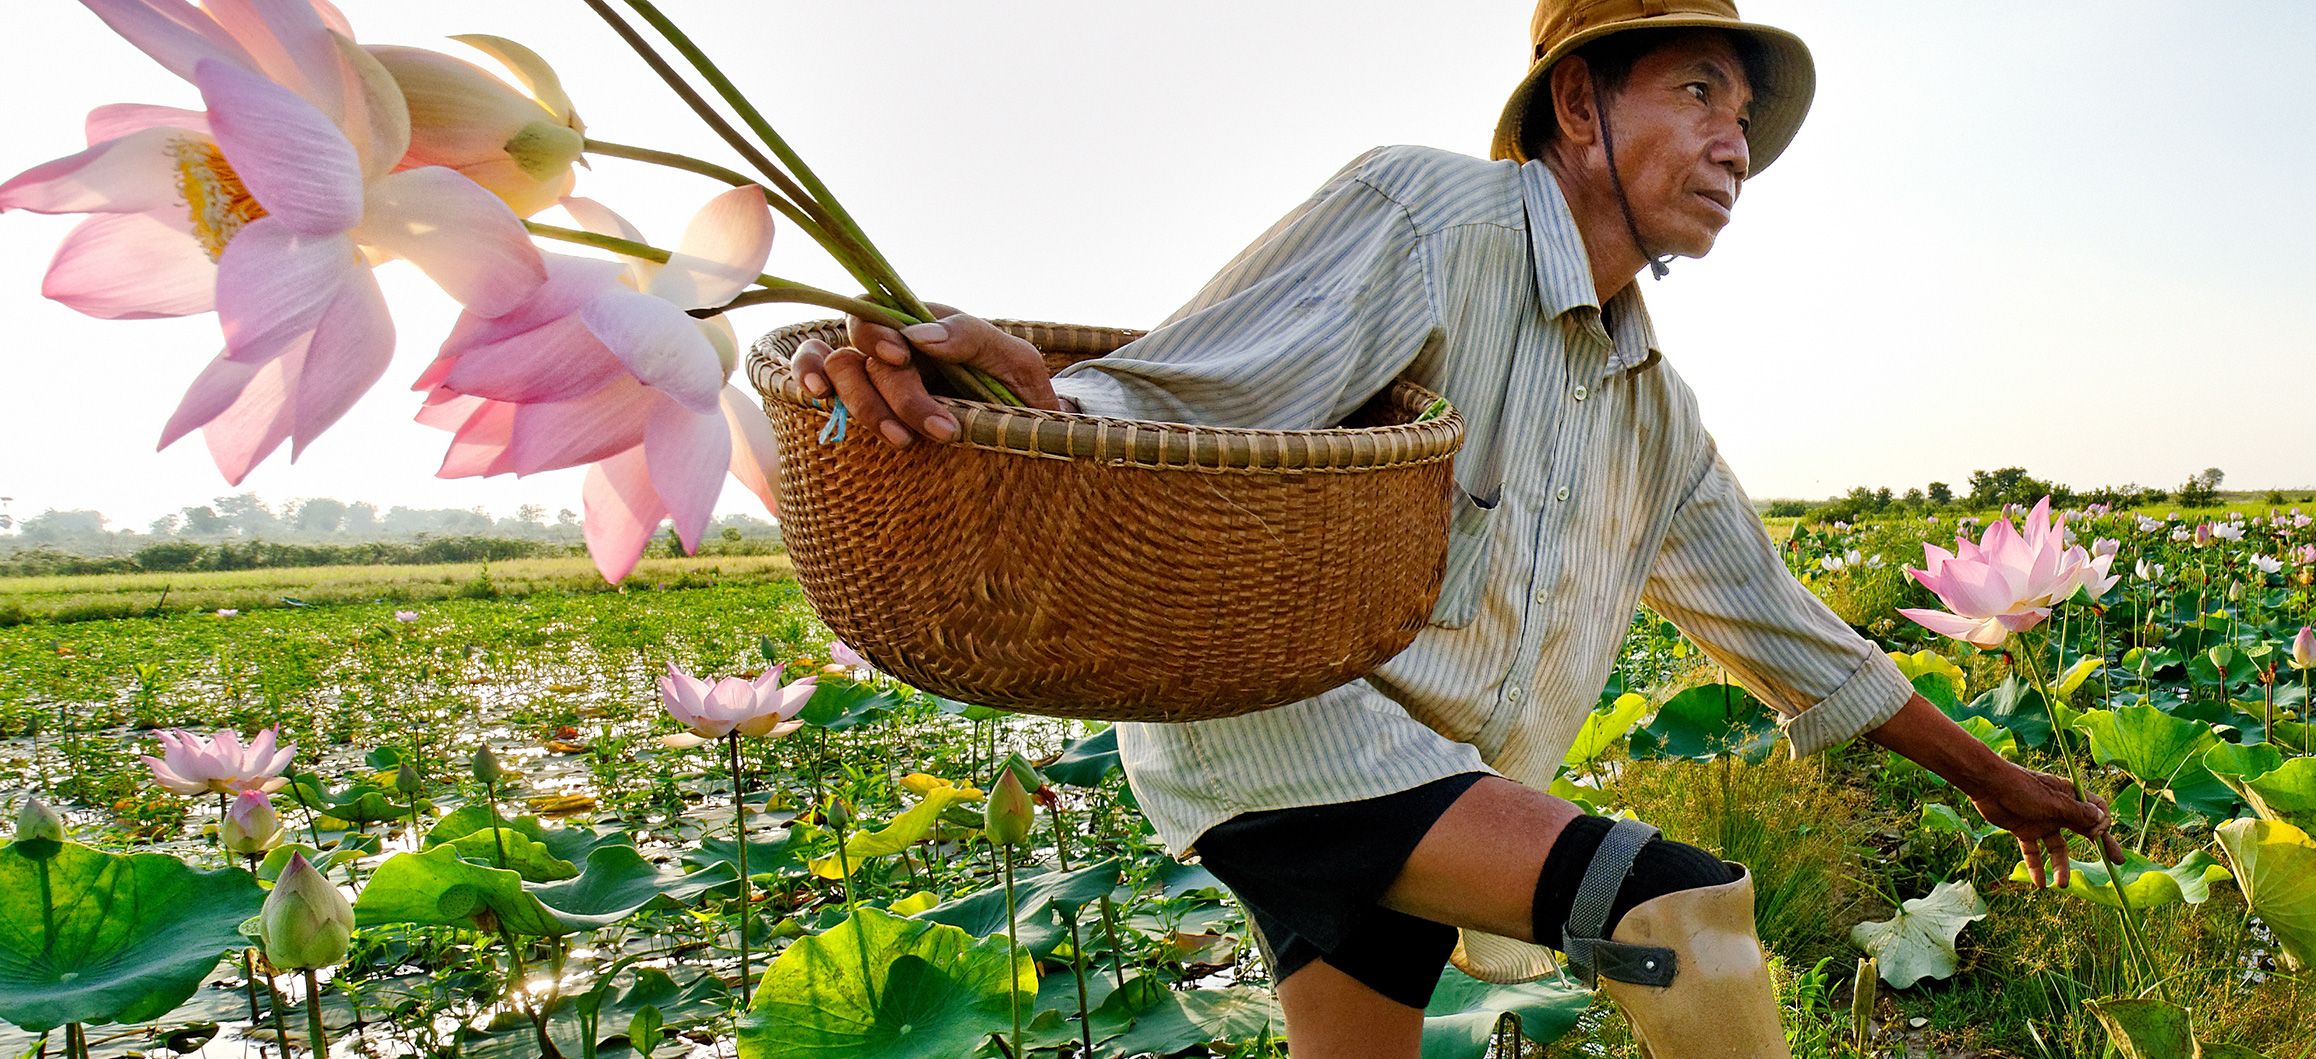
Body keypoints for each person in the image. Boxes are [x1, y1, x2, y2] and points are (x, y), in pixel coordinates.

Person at [786, 2, 2118, 1054]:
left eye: (1746, 116)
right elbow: (1189, 393)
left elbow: (1792, 633)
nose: (1736, 145)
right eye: (1700, 92)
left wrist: (1995, 780)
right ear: (1580, 104)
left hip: (1422, 765)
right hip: (1297, 740)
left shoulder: (1650, 404)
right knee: (1682, 917)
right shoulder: (1432, 218)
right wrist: (994, 387)